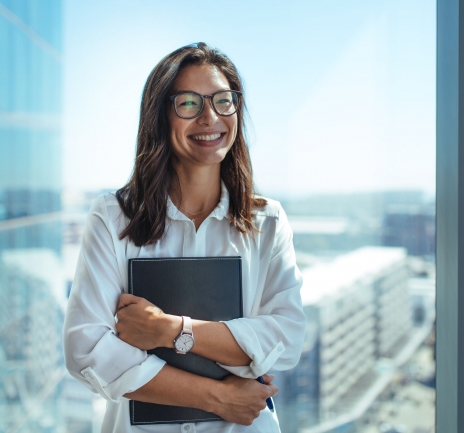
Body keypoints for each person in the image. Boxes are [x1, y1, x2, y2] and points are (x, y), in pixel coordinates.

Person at [63, 42, 307, 433]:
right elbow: (88, 349)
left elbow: (286, 339)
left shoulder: (268, 221)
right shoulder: (113, 218)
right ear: (160, 117)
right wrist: (219, 395)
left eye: (223, 101)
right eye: (189, 104)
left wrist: (169, 331)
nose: (210, 116)